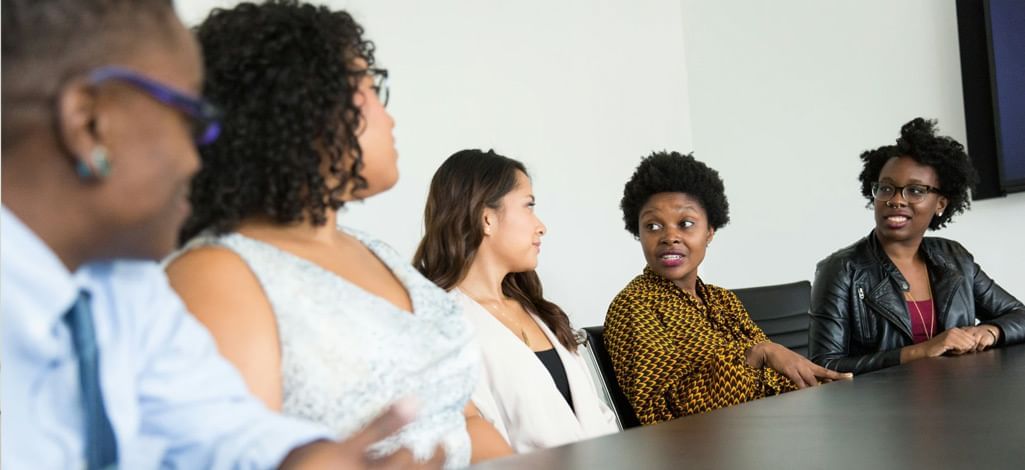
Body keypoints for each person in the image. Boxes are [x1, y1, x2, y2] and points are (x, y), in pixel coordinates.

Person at [0, 0, 442, 468]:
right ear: (89, 124)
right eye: (191, 118)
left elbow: (220, 426)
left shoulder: (126, 289)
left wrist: (303, 458)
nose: (199, 158)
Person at [163, 2, 511, 467]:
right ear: (303, 106)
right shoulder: (217, 276)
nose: (390, 118)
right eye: (370, 87)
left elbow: (463, 420)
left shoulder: (377, 252)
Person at [604, 151, 850, 425]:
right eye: (653, 226)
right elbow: (661, 413)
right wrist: (756, 355)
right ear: (639, 233)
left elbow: (773, 374)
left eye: (686, 224)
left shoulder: (722, 300)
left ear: (710, 231)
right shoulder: (634, 306)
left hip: (763, 430)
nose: (669, 237)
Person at [413, 149, 619, 452]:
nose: (541, 226)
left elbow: (598, 416)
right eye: (529, 206)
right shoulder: (441, 325)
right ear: (486, 218)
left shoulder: (539, 312)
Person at [808, 118, 1025, 375]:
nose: (896, 200)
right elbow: (824, 368)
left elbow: (1018, 315)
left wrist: (992, 330)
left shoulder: (954, 258)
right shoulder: (842, 270)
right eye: (886, 188)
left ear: (941, 203)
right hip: (882, 409)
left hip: (960, 398)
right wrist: (918, 352)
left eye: (915, 191)